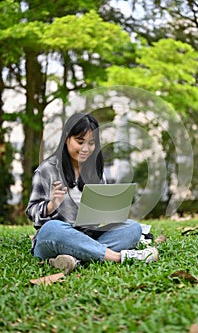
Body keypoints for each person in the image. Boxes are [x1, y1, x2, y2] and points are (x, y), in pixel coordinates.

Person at [26, 112, 158, 274]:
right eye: (80, 142)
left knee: (133, 228)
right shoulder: (47, 170)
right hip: (54, 237)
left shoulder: (95, 171)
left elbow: (100, 216)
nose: (85, 149)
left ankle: (74, 259)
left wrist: (109, 212)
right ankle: (118, 257)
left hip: (88, 236)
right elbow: (31, 212)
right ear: (67, 138)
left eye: (91, 143)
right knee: (52, 228)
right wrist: (51, 205)